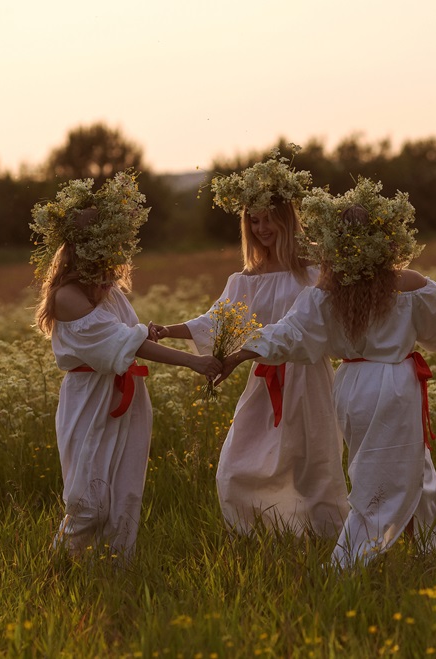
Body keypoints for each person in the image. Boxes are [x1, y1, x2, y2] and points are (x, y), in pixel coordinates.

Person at [218, 179, 436, 569]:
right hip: (396, 383)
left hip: (351, 385)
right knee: (384, 470)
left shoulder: (326, 291)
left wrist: (242, 353)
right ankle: (352, 560)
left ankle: (435, 544)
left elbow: (289, 334)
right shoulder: (411, 284)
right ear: (386, 238)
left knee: (406, 463)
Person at [149, 147, 349, 537]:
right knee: (240, 463)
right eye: (253, 221)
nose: (261, 228)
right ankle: (265, 535)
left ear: (287, 218)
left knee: (315, 464)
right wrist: (167, 330)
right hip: (262, 378)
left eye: (268, 219)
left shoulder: (313, 268)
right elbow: (220, 320)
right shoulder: (246, 278)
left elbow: (319, 323)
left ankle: (330, 538)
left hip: (308, 377)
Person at [31, 171, 222, 560]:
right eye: (94, 245)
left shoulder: (109, 288)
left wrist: (145, 334)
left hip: (124, 395)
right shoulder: (66, 295)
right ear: (76, 248)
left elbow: (126, 337)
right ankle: (60, 568)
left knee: (124, 494)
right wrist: (193, 362)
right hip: (89, 399)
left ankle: (114, 572)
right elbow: (121, 342)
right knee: (88, 500)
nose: (104, 255)